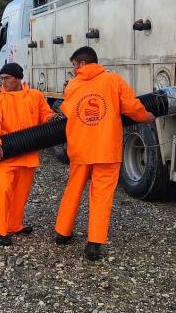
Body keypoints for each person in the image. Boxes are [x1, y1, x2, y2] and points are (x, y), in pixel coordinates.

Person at [54, 46, 155, 261]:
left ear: (82, 63)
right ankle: (94, 244)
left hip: (80, 148)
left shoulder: (73, 85)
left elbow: (68, 111)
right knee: (101, 196)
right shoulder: (113, 80)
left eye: (74, 65)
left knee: (73, 189)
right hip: (106, 149)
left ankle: (62, 233)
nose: (73, 70)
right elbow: (131, 107)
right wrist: (147, 117)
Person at [0, 62, 55, 246]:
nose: (3, 82)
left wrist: (51, 118)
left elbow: (45, 115)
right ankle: (1, 230)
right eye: (2, 78)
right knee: (2, 191)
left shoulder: (36, 96)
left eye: (7, 78)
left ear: (18, 78)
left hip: (29, 156)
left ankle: (15, 226)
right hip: (6, 155)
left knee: (21, 194)